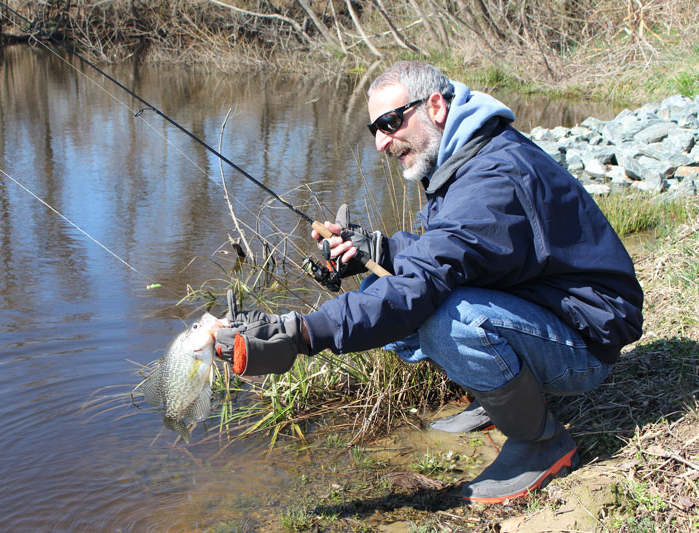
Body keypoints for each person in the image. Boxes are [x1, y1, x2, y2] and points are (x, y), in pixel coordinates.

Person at [214, 61, 643, 504]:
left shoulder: (492, 177)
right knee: (383, 299)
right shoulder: (466, 153)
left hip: (587, 342)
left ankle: (540, 442)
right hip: (545, 305)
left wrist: (304, 333)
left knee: (447, 319)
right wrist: (378, 250)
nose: (381, 142)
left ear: (434, 106)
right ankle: (499, 399)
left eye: (389, 123)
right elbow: (462, 251)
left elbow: (433, 271)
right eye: (373, 129)